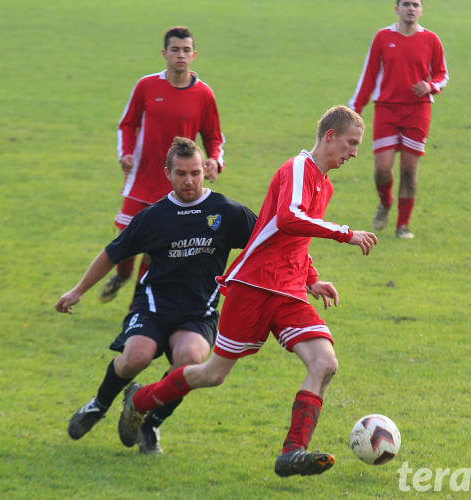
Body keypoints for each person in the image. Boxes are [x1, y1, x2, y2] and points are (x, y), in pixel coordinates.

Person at [117, 106, 378, 477]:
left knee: (325, 363)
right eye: (351, 144)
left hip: (288, 291)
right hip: (253, 287)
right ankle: (140, 398)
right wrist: (345, 233)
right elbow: (288, 218)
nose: (354, 153)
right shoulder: (298, 168)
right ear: (330, 136)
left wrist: (311, 278)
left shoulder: (325, 182)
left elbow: (294, 238)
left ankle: (292, 452)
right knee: (213, 374)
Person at [55, 137, 256, 454]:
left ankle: (150, 422)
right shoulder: (154, 217)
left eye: (194, 173)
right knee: (136, 357)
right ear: (168, 174)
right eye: (180, 174)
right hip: (152, 308)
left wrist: (307, 279)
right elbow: (112, 253)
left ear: (205, 170)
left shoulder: (227, 211)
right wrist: (78, 290)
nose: (188, 181)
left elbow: (267, 244)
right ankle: (99, 404)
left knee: (189, 362)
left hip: (197, 313)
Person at [100, 26, 227, 303]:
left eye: (185, 50)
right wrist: (126, 154)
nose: (180, 55)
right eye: (175, 50)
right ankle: (122, 274)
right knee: (126, 239)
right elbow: (127, 124)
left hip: (176, 185)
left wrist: (215, 159)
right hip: (142, 179)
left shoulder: (204, 94)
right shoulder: (146, 86)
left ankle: (139, 301)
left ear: (193, 55)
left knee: (155, 247)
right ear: (164, 53)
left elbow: (213, 135)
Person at [349, 0, 448, 239]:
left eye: (415, 4)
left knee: (408, 170)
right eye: (406, 4)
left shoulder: (431, 39)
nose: (411, 8)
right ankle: (385, 202)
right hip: (387, 110)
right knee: (382, 168)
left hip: (418, 110)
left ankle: (403, 225)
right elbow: (369, 75)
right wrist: (354, 110)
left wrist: (430, 86)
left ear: (421, 10)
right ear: (397, 9)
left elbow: (442, 74)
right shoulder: (383, 37)